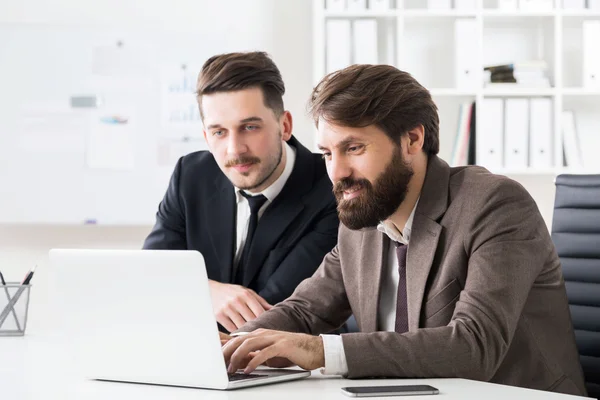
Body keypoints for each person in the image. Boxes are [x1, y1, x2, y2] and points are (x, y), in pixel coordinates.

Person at [220, 64, 587, 396]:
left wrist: (318, 350)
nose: (337, 172)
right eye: (328, 153)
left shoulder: (495, 205)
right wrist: (229, 346)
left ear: (412, 140)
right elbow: (302, 312)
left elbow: (474, 345)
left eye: (353, 148)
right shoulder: (363, 216)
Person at [143, 52, 339, 333]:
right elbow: (150, 273)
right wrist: (206, 292)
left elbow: (271, 311)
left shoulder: (331, 189)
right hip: (195, 356)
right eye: (219, 132)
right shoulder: (191, 175)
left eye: (249, 127)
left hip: (291, 364)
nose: (235, 149)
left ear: (284, 126)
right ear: (206, 136)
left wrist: (185, 292)